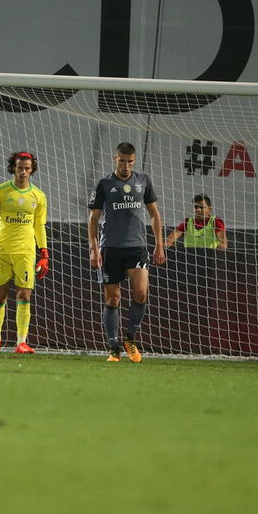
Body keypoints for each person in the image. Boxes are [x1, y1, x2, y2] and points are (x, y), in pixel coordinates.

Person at [88, 142, 165, 363]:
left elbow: (154, 214)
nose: (126, 165)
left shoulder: (143, 180)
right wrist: (94, 249)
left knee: (141, 293)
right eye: (122, 161)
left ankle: (130, 338)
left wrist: (159, 244)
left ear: (134, 161)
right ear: (115, 159)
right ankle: (113, 348)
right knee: (112, 299)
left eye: (130, 161)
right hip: (110, 248)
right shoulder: (104, 184)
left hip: (137, 247)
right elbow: (93, 218)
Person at [0, 151, 50, 354]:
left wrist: (44, 253)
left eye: (27, 168)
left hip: (26, 252)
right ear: (13, 168)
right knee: (0, 296)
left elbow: (39, 226)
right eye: (20, 168)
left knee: (25, 294)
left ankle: (21, 342)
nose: (23, 172)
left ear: (32, 169)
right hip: (2, 250)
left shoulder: (39, 196)